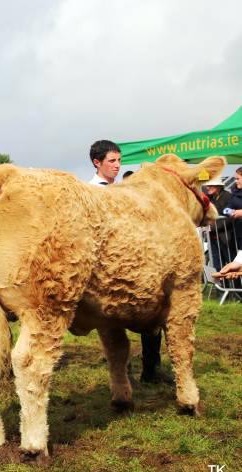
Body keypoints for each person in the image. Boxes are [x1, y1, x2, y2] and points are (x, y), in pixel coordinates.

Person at [87, 139, 163, 383]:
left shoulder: (124, 189)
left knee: (153, 311)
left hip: (134, 260)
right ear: (97, 162)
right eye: (112, 161)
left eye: (119, 160)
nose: (117, 165)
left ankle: (151, 369)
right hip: (107, 265)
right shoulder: (90, 192)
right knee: (113, 322)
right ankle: (123, 374)